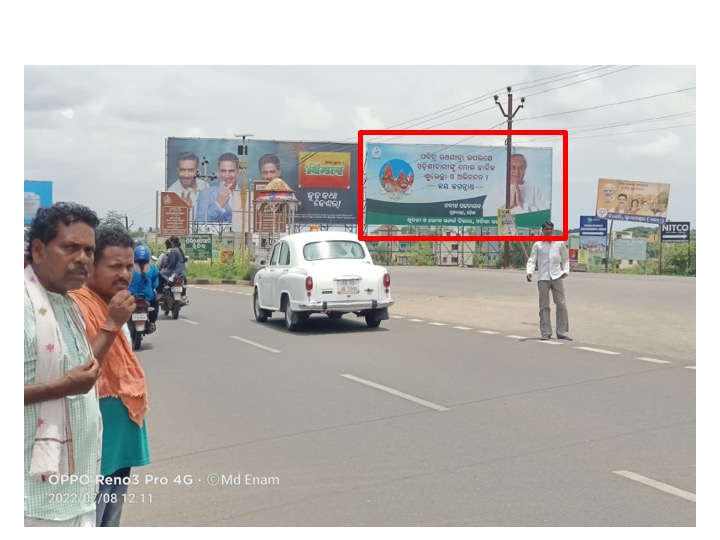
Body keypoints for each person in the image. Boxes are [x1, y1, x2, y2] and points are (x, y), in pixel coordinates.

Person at [24, 202, 103, 526]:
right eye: (70, 247)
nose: (82, 258)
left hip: (76, 494)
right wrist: (62, 388)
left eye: (89, 250)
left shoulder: (67, 303)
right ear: (39, 250)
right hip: (31, 504)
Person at [68, 228, 150, 527]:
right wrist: (113, 323)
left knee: (109, 523)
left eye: (129, 266)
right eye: (115, 266)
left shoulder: (115, 303)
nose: (125, 274)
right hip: (94, 443)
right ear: (91, 265)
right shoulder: (77, 304)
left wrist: (116, 320)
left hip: (118, 440)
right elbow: (80, 370)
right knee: (91, 520)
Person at [525, 221, 571, 341]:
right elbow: (532, 260)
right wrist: (529, 272)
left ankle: (562, 332)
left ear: (553, 230)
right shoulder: (538, 245)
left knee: (561, 305)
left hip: (557, 277)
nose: (549, 231)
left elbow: (565, 258)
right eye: (546, 229)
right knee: (544, 306)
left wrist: (566, 270)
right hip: (543, 278)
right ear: (543, 230)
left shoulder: (559, 243)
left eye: (550, 229)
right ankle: (546, 333)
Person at [485, 154, 550, 215]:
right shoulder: (497, 189)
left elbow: (546, 214)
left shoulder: (535, 189)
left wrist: (522, 204)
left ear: (525, 170)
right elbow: (486, 213)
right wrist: (508, 205)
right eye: (513, 167)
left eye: (521, 168)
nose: (517, 172)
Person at [195, 152, 239, 222]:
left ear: (238, 172)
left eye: (231, 171)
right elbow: (199, 223)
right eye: (223, 171)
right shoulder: (205, 194)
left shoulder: (247, 195)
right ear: (218, 172)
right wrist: (218, 205)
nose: (227, 175)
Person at [129, 245, 159, 333]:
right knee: (155, 303)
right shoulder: (153, 269)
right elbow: (155, 285)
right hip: (148, 296)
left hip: (131, 296)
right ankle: (152, 322)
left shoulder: (130, 268)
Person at [159, 236, 188, 302]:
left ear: (172, 242)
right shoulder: (180, 250)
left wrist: (165, 269)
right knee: (184, 279)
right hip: (182, 271)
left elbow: (172, 263)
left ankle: (167, 283)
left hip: (175, 270)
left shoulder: (173, 250)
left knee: (161, 273)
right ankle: (184, 294)